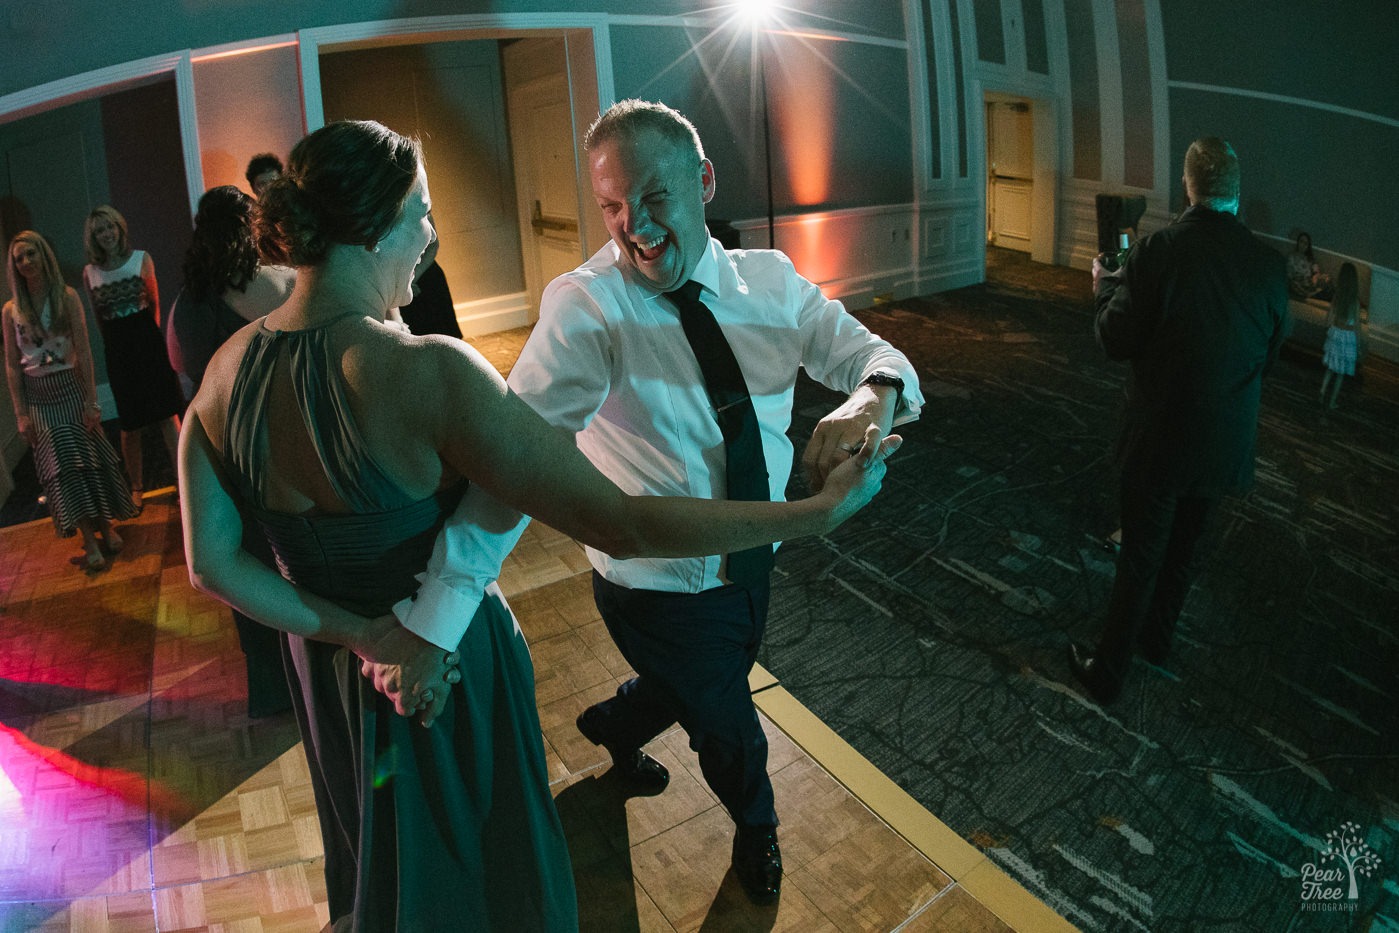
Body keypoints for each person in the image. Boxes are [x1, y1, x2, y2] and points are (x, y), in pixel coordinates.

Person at [178, 119, 898, 932]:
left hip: (333, 671)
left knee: (380, 847)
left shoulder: (223, 371)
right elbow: (615, 520)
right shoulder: (429, 369)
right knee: (487, 867)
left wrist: (357, 633)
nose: (431, 233)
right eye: (421, 212)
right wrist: (810, 514)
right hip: (452, 667)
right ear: (375, 226)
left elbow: (212, 565)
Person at [397, 99, 923, 906]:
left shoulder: (771, 282)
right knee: (726, 719)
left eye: (651, 198)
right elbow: (514, 468)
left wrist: (873, 396)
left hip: (755, 561)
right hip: (657, 589)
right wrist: (436, 618)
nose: (631, 226)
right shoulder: (589, 308)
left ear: (702, 181)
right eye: (610, 205)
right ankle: (757, 827)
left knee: (702, 680)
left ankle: (615, 722)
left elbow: (872, 352)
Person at [1069, 137, 1288, 704]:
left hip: (1160, 440)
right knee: (1185, 552)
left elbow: (1114, 340)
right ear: (1236, 191)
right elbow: (1271, 355)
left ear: (1187, 186)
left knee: (1141, 555)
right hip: (1224, 444)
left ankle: (1108, 672)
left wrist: (1101, 291)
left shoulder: (1157, 252)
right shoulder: (1268, 265)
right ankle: (1158, 642)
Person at [169, 184, 297, 717]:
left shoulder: (186, 308)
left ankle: (272, 689)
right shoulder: (285, 281)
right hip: (291, 446)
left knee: (245, 562)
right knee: (297, 557)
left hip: (226, 452)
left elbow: (183, 380)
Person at [4, 231, 139, 571]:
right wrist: (21, 414)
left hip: (70, 387)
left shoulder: (65, 297)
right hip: (39, 397)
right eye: (19, 258)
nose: (26, 262)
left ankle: (106, 527)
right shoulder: (11, 310)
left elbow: (84, 350)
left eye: (31, 254)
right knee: (61, 470)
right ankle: (89, 539)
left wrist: (92, 401)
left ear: (43, 255)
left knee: (90, 460)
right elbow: (11, 364)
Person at [82, 205, 184, 510]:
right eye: (100, 230)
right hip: (118, 349)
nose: (107, 234)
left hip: (148, 343)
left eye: (110, 227)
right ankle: (137, 487)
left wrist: (149, 339)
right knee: (130, 423)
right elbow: (99, 318)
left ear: (120, 228)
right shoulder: (91, 272)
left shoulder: (142, 259)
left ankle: (183, 481)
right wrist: (117, 344)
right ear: (94, 237)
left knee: (168, 415)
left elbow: (154, 303)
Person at [1319, 262, 1361, 410]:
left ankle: (1322, 390)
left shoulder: (1337, 296)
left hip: (1335, 333)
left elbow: (1329, 317)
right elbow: (1356, 325)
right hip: (1347, 337)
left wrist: (1329, 329)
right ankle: (1331, 402)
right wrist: (1358, 345)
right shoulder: (1354, 301)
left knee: (1330, 367)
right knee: (1340, 373)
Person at [1286, 231, 1332, 300]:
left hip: (1310, 283)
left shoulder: (1310, 259)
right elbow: (1289, 275)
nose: (1303, 245)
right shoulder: (1292, 257)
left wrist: (1315, 277)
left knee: (1328, 279)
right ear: (1298, 242)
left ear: (1308, 246)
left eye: (1305, 243)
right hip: (1298, 284)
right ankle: (1313, 294)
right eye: (1301, 242)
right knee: (1294, 284)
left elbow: (1316, 271)